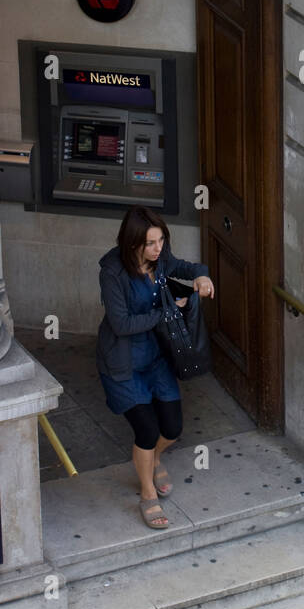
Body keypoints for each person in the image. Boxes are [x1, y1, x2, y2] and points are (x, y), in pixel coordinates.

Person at [97, 207, 214, 530]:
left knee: (173, 428)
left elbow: (186, 267)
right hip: (122, 362)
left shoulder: (161, 259)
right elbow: (120, 324)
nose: (158, 248)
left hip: (155, 358)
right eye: (150, 243)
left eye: (161, 239)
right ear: (133, 242)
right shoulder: (112, 272)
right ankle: (147, 493)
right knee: (146, 431)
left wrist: (201, 275)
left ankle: (154, 459)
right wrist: (165, 314)